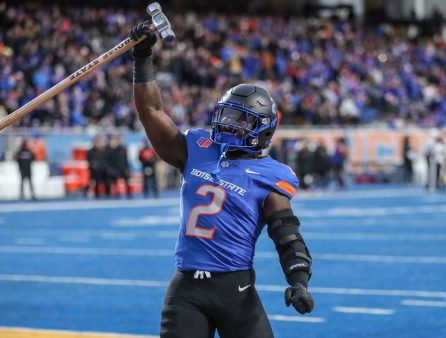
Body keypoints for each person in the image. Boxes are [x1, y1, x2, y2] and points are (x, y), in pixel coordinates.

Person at [131, 22, 314, 338]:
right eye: (227, 115)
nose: (228, 124)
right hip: (186, 289)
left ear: (263, 130)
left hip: (236, 290)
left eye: (240, 120)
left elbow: (287, 235)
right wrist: (143, 56)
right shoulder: (198, 149)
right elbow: (151, 110)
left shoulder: (271, 175)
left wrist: (298, 281)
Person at [105, 134, 133, 199]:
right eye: (118, 139)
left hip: (124, 168)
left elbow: (126, 159)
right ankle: (116, 194)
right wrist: (112, 168)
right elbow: (111, 160)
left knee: (127, 181)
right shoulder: (114, 150)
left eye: (121, 139)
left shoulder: (124, 149)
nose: (120, 141)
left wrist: (127, 168)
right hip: (117, 168)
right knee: (115, 182)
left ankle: (129, 193)